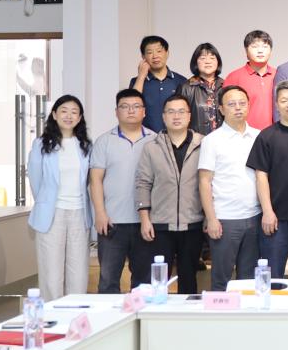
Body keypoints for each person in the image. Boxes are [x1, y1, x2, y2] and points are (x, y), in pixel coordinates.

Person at [136, 95, 205, 294]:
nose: (176, 116)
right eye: (171, 112)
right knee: (159, 280)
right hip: (160, 224)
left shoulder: (204, 144)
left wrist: (209, 217)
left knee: (189, 278)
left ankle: (187, 314)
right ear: (163, 117)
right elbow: (143, 183)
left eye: (181, 111)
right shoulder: (152, 147)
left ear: (189, 116)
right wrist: (145, 219)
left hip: (193, 223)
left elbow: (211, 183)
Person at [88, 89, 156, 293]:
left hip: (146, 222)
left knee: (144, 284)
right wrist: (100, 213)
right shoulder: (104, 141)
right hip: (112, 222)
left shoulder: (155, 140)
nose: (131, 111)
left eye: (136, 106)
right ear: (116, 112)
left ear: (144, 111)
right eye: (125, 107)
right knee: (108, 281)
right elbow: (95, 180)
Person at [27, 94, 92, 301]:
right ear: (54, 114)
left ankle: (75, 312)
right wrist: (46, 203)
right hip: (51, 214)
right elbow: (35, 181)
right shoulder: (41, 144)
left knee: (78, 272)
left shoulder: (85, 145)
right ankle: (51, 315)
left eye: (74, 112)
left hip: (79, 212)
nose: (68, 116)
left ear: (80, 118)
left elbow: (88, 180)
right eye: (64, 111)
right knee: (51, 273)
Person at [246, 80, 288, 281]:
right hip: (275, 219)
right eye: (284, 100)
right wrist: (267, 211)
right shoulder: (266, 136)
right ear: (276, 104)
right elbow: (261, 176)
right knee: (272, 276)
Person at [198, 85, 261, 291]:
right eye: (231, 104)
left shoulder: (259, 136)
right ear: (221, 109)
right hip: (225, 219)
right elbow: (204, 181)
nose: (238, 108)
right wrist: (211, 218)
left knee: (249, 280)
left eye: (242, 103)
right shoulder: (212, 141)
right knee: (221, 279)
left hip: (254, 218)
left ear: (249, 106)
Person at [129, 35, 187, 133]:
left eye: (159, 51)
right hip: (145, 137)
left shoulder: (181, 81)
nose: (155, 56)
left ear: (167, 53)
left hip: (174, 136)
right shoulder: (137, 81)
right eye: (149, 52)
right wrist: (141, 76)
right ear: (143, 57)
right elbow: (132, 106)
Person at [223, 30, 276, 130]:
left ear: (270, 50)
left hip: (275, 134)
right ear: (246, 51)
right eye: (254, 47)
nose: (260, 51)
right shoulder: (234, 77)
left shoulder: (278, 74)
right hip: (244, 134)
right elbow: (226, 110)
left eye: (265, 46)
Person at [177, 42, 224, 135]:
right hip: (195, 141)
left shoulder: (225, 86)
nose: (208, 62)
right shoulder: (186, 88)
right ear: (196, 62)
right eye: (203, 58)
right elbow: (178, 118)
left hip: (222, 140)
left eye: (212, 58)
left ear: (218, 62)